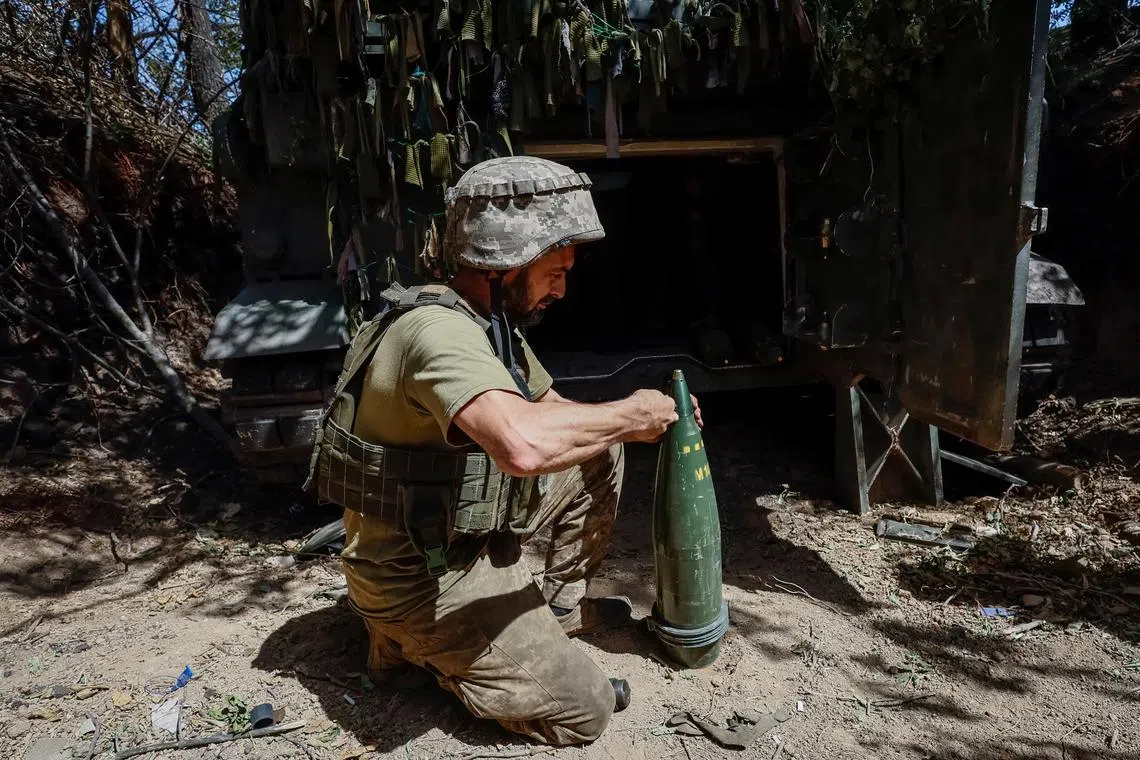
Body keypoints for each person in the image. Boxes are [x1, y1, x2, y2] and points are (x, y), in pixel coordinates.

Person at [305, 155, 700, 745]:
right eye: (554, 269)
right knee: (587, 710)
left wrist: (639, 421)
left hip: (448, 534)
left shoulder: (487, 322)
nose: (562, 289)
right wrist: (627, 415)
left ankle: (556, 616)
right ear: (505, 260)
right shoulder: (438, 333)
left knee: (600, 450)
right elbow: (521, 445)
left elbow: (557, 415)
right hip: (420, 577)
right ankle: (421, 652)